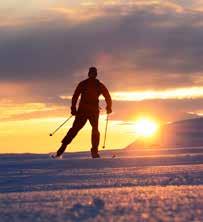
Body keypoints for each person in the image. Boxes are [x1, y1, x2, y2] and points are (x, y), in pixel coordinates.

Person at [53, 67, 112, 158]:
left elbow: (76, 96)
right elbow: (76, 96)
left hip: (87, 111)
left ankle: (62, 150)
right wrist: (109, 107)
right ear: (92, 74)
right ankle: (62, 149)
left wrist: (109, 106)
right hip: (88, 111)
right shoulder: (96, 85)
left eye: (93, 73)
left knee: (80, 129)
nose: (92, 75)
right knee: (82, 130)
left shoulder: (87, 84)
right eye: (92, 73)